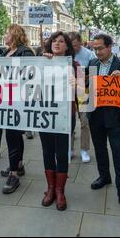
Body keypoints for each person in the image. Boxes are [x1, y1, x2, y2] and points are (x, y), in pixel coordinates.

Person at [87, 34, 120, 207]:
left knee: (117, 151)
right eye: (94, 48)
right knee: (99, 149)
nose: (97, 52)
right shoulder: (92, 64)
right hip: (95, 114)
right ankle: (104, 177)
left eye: (100, 48)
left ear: (110, 47)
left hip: (114, 116)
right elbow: (86, 86)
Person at [40, 31, 77, 210]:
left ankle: (61, 191)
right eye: (54, 40)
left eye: (61, 41)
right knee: (47, 152)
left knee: (61, 154)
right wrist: (41, 61)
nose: (57, 43)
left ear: (67, 46)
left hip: (64, 116)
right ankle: (50, 189)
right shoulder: (41, 62)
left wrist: (77, 83)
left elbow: (85, 97)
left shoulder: (75, 66)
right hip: (44, 115)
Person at [0, 24, 35, 194]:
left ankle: (14, 175)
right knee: (14, 134)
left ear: (14, 35)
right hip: (8, 99)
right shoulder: (7, 52)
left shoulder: (25, 52)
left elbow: (29, 75)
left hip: (18, 100)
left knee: (12, 135)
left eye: (6, 33)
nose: (4, 35)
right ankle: (18, 165)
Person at [68, 31, 95, 163]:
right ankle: (70, 148)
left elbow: (94, 71)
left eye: (77, 45)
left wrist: (85, 77)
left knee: (85, 121)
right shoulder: (65, 54)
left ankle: (84, 150)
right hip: (68, 92)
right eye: (72, 45)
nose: (75, 48)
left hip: (84, 90)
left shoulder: (89, 54)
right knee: (69, 122)